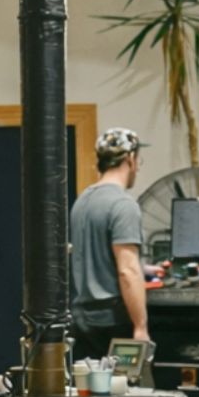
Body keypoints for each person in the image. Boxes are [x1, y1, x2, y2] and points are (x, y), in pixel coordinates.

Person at [70, 128, 151, 360]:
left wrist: (144, 267)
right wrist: (140, 327)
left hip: (82, 319)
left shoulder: (82, 201)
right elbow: (127, 270)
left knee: (90, 390)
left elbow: (94, 258)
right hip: (112, 321)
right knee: (122, 390)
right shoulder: (122, 205)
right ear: (130, 159)